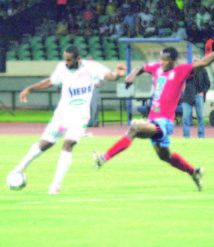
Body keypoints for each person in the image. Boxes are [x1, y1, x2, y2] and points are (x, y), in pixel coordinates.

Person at [93, 47, 214, 192]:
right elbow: (141, 67)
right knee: (165, 156)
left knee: (135, 128)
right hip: (153, 121)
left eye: (166, 59)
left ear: (174, 60)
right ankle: (194, 172)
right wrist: (131, 75)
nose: (162, 62)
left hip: (165, 123)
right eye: (161, 59)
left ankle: (103, 158)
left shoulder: (181, 70)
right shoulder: (156, 68)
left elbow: (204, 62)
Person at [9, 45, 126, 194]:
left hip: (80, 116)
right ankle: (20, 167)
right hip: (62, 114)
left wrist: (118, 74)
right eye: (65, 59)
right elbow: (51, 81)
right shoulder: (62, 68)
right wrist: (30, 88)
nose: (66, 63)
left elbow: (109, 76)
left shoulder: (91, 67)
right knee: (45, 144)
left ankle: (55, 186)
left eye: (69, 60)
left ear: (78, 58)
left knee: (68, 144)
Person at [182, 57, 211, 138]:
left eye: (197, 61)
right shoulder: (188, 70)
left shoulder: (203, 71)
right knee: (186, 117)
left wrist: (202, 92)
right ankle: (186, 137)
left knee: (201, 117)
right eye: (194, 61)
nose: (195, 62)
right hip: (187, 96)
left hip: (199, 95)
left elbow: (208, 83)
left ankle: (201, 136)